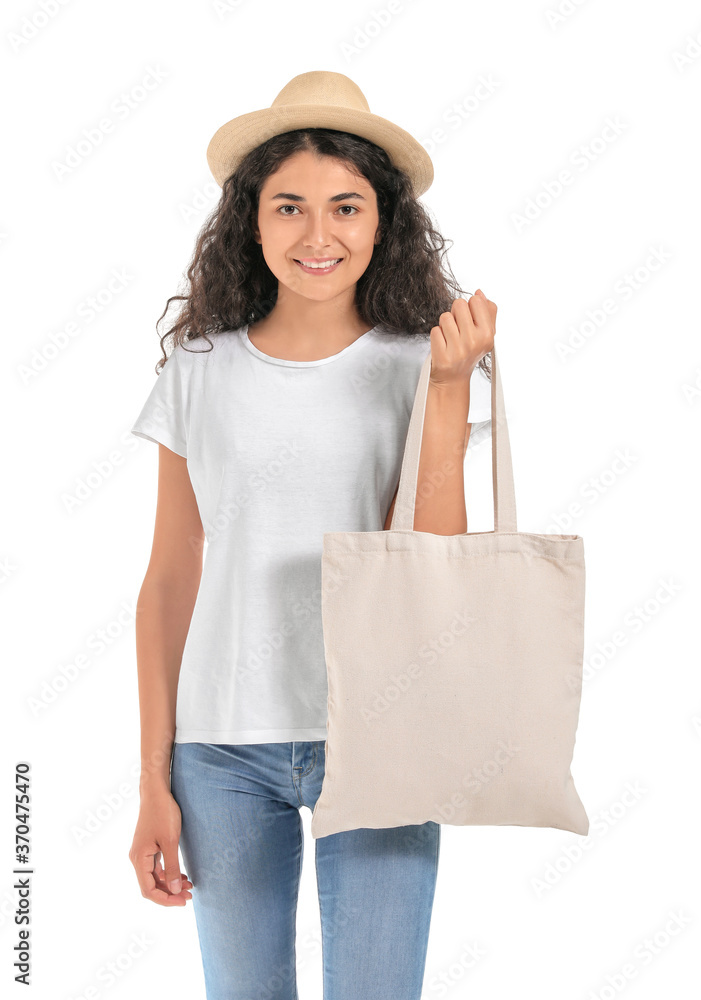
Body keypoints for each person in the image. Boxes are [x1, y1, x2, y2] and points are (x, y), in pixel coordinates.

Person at [128, 70, 496, 1000]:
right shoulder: (199, 369)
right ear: (252, 220)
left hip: (379, 736)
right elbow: (171, 575)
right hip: (218, 750)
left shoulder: (421, 365)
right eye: (289, 206)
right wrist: (151, 782)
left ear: (383, 225)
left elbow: (431, 561)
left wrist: (448, 393)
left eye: (346, 207)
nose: (318, 235)